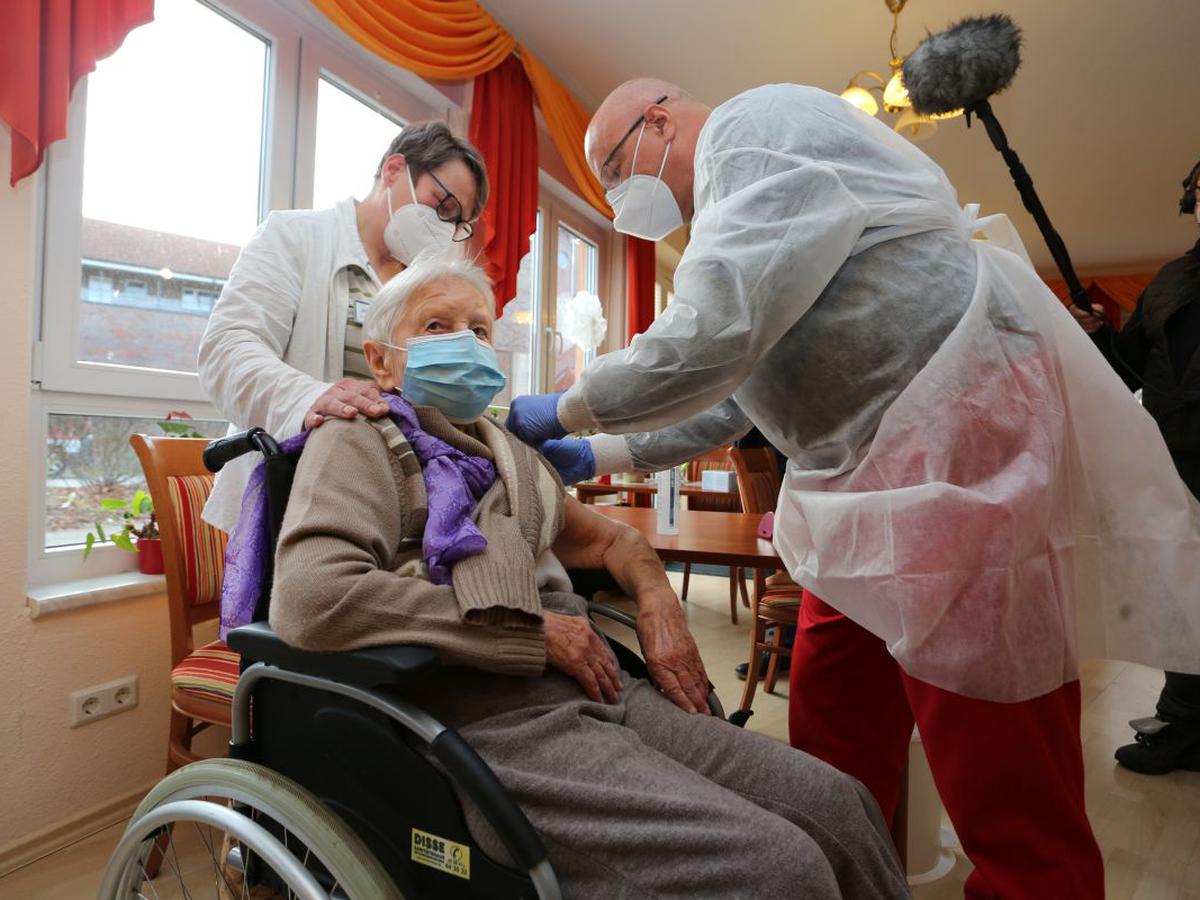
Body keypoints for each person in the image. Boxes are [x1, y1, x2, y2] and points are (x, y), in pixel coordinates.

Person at [506, 78, 1200, 898]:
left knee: (998, 755)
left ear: (657, 118)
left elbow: (713, 332)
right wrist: (600, 450)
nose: (623, 200)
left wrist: (567, 405)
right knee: (833, 727)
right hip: (865, 491)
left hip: (952, 451)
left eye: (616, 172)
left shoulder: (756, 129)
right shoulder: (739, 223)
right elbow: (735, 392)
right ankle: (851, 875)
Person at [257, 255, 908, 899]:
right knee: (778, 868)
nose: (467, 342)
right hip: (491, 721)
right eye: (436, 326)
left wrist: (659, 604)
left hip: (602, 691)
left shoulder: (509, 455)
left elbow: (616, 542)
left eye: (480, 329)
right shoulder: (360, 441)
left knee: (839, 806)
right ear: (380, 360)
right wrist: (534, 633)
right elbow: (314, 596)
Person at [198, 121, 488, 533]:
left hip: (393, 505)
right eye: (440, 204)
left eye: (456, 220)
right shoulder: (295, 237)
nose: (443, 226)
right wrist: (310, 397)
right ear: (393, 170)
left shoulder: (425, 286)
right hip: (299, 502)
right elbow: (226, 351)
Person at [1069, 159, 1200, 776]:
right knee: (1183, 593)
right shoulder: (1173, 278)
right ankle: (1186, 721)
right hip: (1181, 463)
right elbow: (1128, 369)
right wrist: (1098, 335)